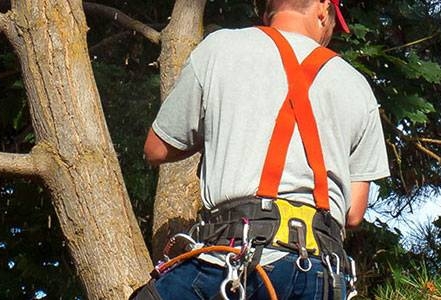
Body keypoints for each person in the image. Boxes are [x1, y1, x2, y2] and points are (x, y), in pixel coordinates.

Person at [132, 0, 389, 298]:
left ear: (267, 9)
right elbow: (354, 212)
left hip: (229, 261)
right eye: (333, 21)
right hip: (320, 271)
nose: (331, 31)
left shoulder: (220, 49)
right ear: (322, 8)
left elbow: (156, 149)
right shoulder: (357, 86)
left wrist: (219, 129)